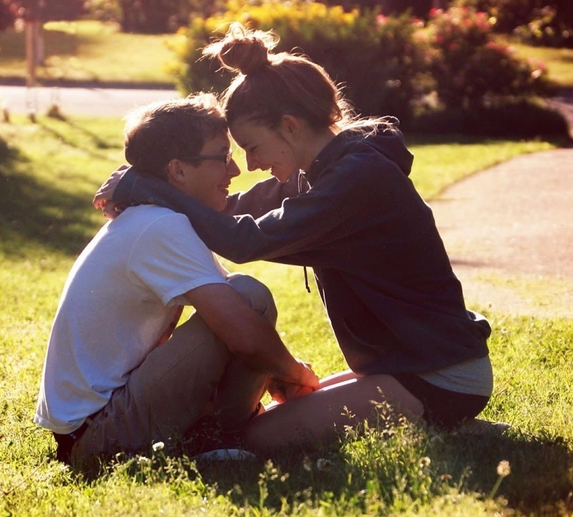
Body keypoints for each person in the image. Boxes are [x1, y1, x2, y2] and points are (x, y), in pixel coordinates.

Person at [100, 25, 494, 454]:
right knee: (282, 413)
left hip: (441, 375)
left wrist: (146, 187)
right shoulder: (325, 170)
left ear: (289, 126)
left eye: (252, 146)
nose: (250, 165)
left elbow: (243, 240)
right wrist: (160, 180)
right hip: (406, 365)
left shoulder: (357, 180)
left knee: (259, 438)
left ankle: (443, 413)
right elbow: (227, 212)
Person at [34, 94, 320, 465]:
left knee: (243, 298)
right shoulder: (160, 225)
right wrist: (297, 374)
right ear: (178, 171)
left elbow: (236, 326)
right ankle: (219, 437)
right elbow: (245, 334)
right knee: (250, 298)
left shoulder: (157, 219)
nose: (234, 172)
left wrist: (277, 373)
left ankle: (215, 433)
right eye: (223, 157)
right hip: (97, 436)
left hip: (93, 426)